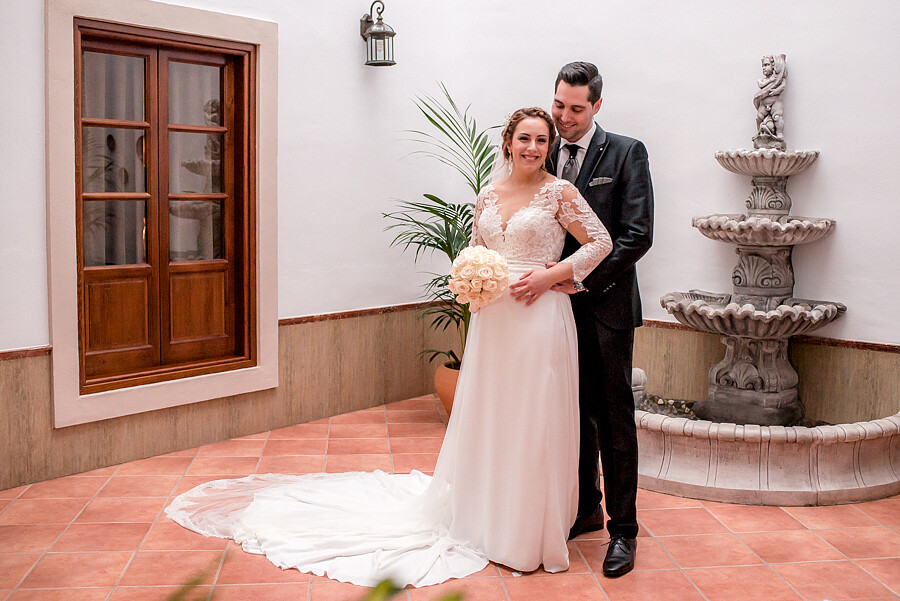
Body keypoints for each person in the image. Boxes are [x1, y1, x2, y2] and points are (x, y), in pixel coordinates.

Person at [165, 107, 612, 587]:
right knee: (491, 415)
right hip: (493, 319)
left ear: (550, 147)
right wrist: (474, 283)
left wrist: (553, 276)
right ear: (508, 142)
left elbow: (600, 242)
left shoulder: (559, 192)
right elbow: (478, 251)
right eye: (524, 138)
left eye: (542, 140)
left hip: (539, 317)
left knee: (532, 417)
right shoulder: (487, 195)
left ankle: (527, 530)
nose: (533, 148)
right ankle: (484, 518)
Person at [543, 62, 654, 578]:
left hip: (605, 307)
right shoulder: (542, 148)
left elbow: (636, 235)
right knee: (571, 412)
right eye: (559, 105)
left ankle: (624, 532)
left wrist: (581, 279)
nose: (564, 117)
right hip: (551, 309)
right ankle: (585, 508)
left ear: (597, 107)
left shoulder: (627, 152)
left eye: (576, 109)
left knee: (613, 420)